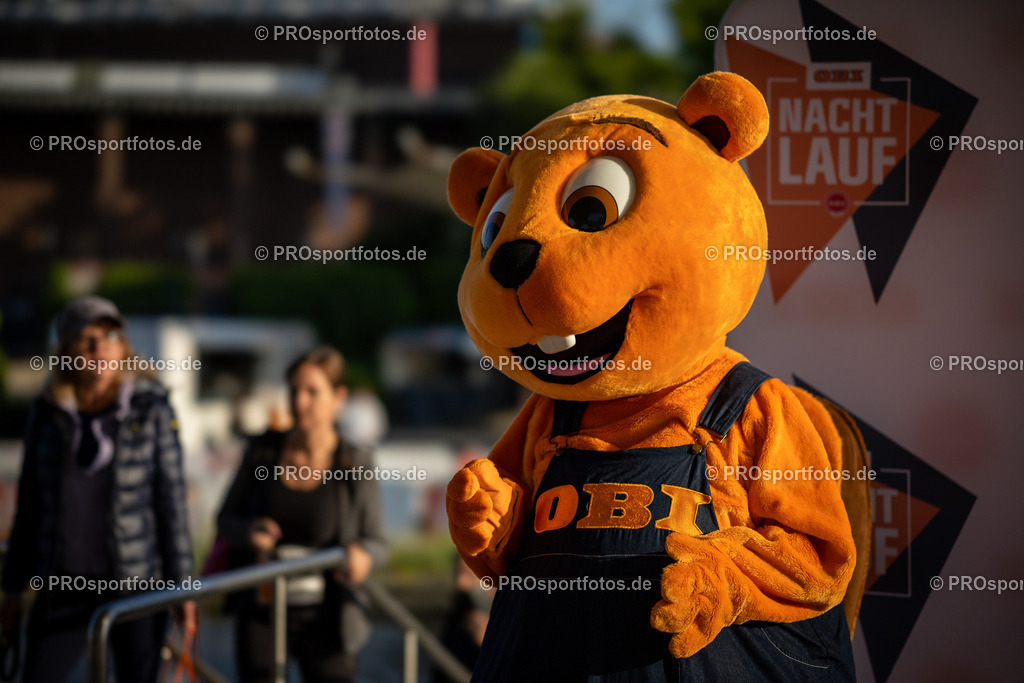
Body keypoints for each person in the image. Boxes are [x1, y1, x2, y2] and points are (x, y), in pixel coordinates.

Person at [0, 296, 196, 682]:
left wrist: (183, 588)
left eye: (110, 336)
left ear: (124, 347)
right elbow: (30, 505)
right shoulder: (48, 412)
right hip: (63, 583)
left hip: (136, 582)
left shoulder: (151, 408)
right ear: (66, 352)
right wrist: (12, 589)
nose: (99, 348)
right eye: (87, 339)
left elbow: (171, 503)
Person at [217, 346, 387, 683]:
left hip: (327, 614)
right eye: (294, 390)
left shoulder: (354, 462)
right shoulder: (263, 451)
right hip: (262, 608)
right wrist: (250, 531)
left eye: (312, 391)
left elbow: (378, 542)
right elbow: (224, 520)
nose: (300, 401)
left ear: (338, 398)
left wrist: (363, 554)